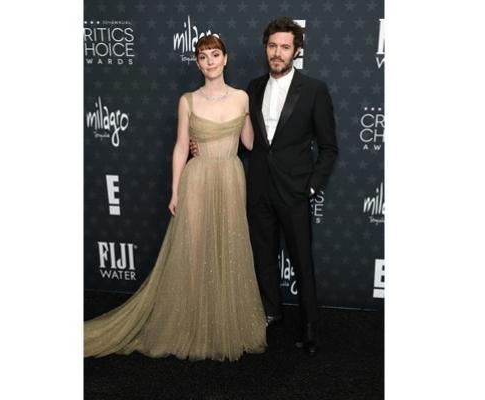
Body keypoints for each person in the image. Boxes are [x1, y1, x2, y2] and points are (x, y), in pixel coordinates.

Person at [84, 35, 266, 362]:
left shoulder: (242, 97)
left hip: (230, 177)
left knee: (228, 245)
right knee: (194, 249)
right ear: (197, 63)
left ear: (225, 59)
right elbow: (182, 146)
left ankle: (222, 322)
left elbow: (250, 144)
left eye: (214, 55)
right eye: (202, 56)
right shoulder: (188, 101)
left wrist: (250, 115)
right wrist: (175, 189)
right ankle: (192, 323)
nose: (209, 61)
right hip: (196, 180)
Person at [191, 17, 338, 356]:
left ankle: (310, 322)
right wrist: (201, 143)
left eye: (285, 47)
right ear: (265, 48)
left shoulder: (315, 89)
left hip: (295, 191)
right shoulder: (252, 89)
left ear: (296, 51)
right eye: (272, 46)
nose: (277, 52)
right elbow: (243, 137)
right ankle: (272, 312)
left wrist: (312, 186)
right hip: (257, 188)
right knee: (263, 257)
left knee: (302, 260)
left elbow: (329, 147)